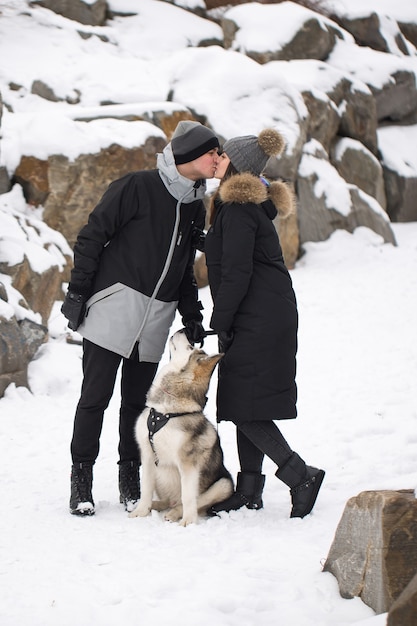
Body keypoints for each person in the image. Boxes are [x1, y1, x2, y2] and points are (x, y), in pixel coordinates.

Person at [61, 120, 219, 516]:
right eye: (212, 152)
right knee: (94, 399)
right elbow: (91, 237)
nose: (217, 159)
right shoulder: (136, 186)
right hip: (113, 309)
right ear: (188, 156)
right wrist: (79, 292)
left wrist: (191, 314)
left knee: (136, 405)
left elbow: (184, 269)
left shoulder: (194, 208)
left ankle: (130, 480)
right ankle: (81, 481)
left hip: (154, 322)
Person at [204, 128, 325, 519]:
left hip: (257, 316)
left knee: (243, 405)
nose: (216, 158)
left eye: (222, 155)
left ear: (235, 164)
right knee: (246, 401)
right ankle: (249, 490)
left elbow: (237, 272)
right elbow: (233, 252)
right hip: (263, 313)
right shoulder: (240, 209)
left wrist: (218, 320)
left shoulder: (238, 210)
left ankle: (300, 475)